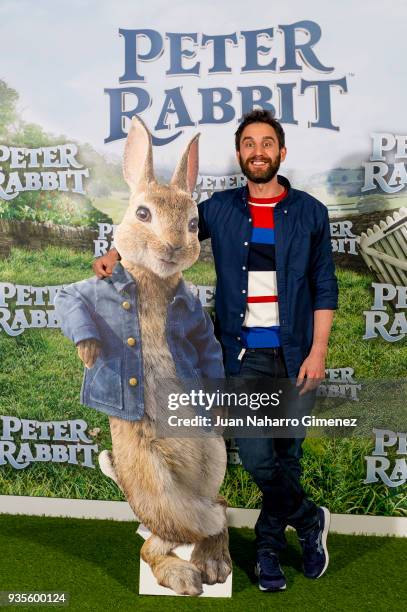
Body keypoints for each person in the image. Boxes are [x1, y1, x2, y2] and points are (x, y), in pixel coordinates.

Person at [93, 109, 338, 593]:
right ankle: (310, 518)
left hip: (295, 355)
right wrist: (114, 256)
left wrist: (318, 351)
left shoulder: (310, 212)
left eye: (267, 143)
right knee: (256, 457)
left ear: (281, 152)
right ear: (240, 154)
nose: (258, 151)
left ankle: (270, 547)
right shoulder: (222, 209)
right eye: (249, 144)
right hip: (243, 355)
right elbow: (164, 223)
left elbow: (324, 284)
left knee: (286, 458)